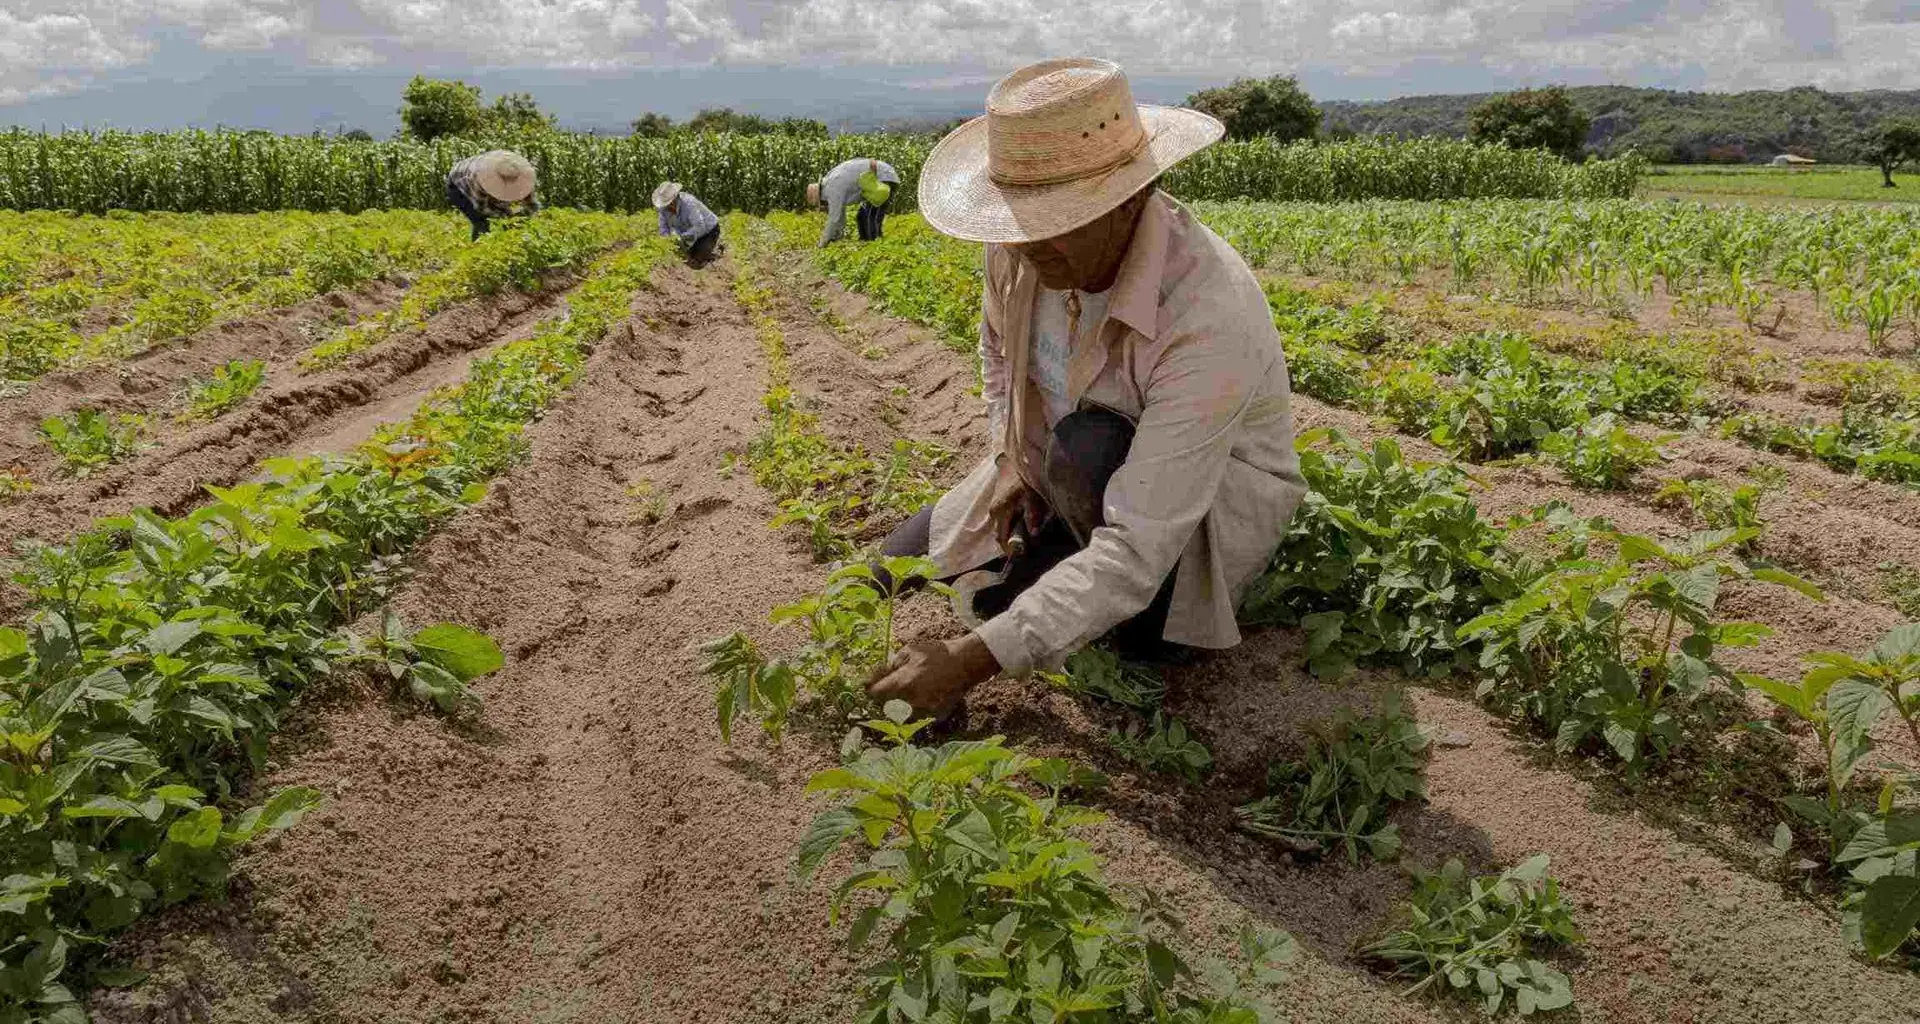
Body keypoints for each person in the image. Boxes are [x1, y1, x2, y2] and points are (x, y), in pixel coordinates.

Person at [866, 57, 1306, 720]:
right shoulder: (1018, 250)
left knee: (1087, 449)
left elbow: (1138, 547)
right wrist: (1009, 460)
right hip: (1056, 473)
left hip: (1182, 522)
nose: (1025, 243)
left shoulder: (1207, 312)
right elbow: (997, 353)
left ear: (1129, 200)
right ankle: (1051, 557)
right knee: (885, 569)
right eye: (1018, 220)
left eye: (1053, 220)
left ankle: (1130, 623)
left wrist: (968, 662)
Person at [445, 150, 540, 241]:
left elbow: (532, 205)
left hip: (476, 173)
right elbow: (482, 208)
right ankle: (479, 248)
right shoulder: (479, 179)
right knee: (481, 222)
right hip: (457, 186)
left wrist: (524, 218)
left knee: (509, 218)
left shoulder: (522, 176)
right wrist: (508, 219)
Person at [809, 158, 902, 246]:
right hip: (879, 179)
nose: (825, 208)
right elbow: (841, 218)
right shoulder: (831, 181)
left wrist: (823, 242)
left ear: (821, 199)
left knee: (870, 217)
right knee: (861, 217)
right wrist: (837, 236)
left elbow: (834, 218)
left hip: (883, 177)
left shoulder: (831, 190)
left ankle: (875, 246)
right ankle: (866, 244)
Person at [653, 182, 722, 267]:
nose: (668, 206)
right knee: (685, 258)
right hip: (689, 234)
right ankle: (703, 252)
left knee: (698, 260)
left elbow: (699, 226)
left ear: (675, 198)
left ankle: (716, 251)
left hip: (708, 231)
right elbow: (663, 229)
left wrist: (682, 238)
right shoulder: (663, 209)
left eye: (670, 203)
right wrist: (669, 241)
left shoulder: (688, 203)